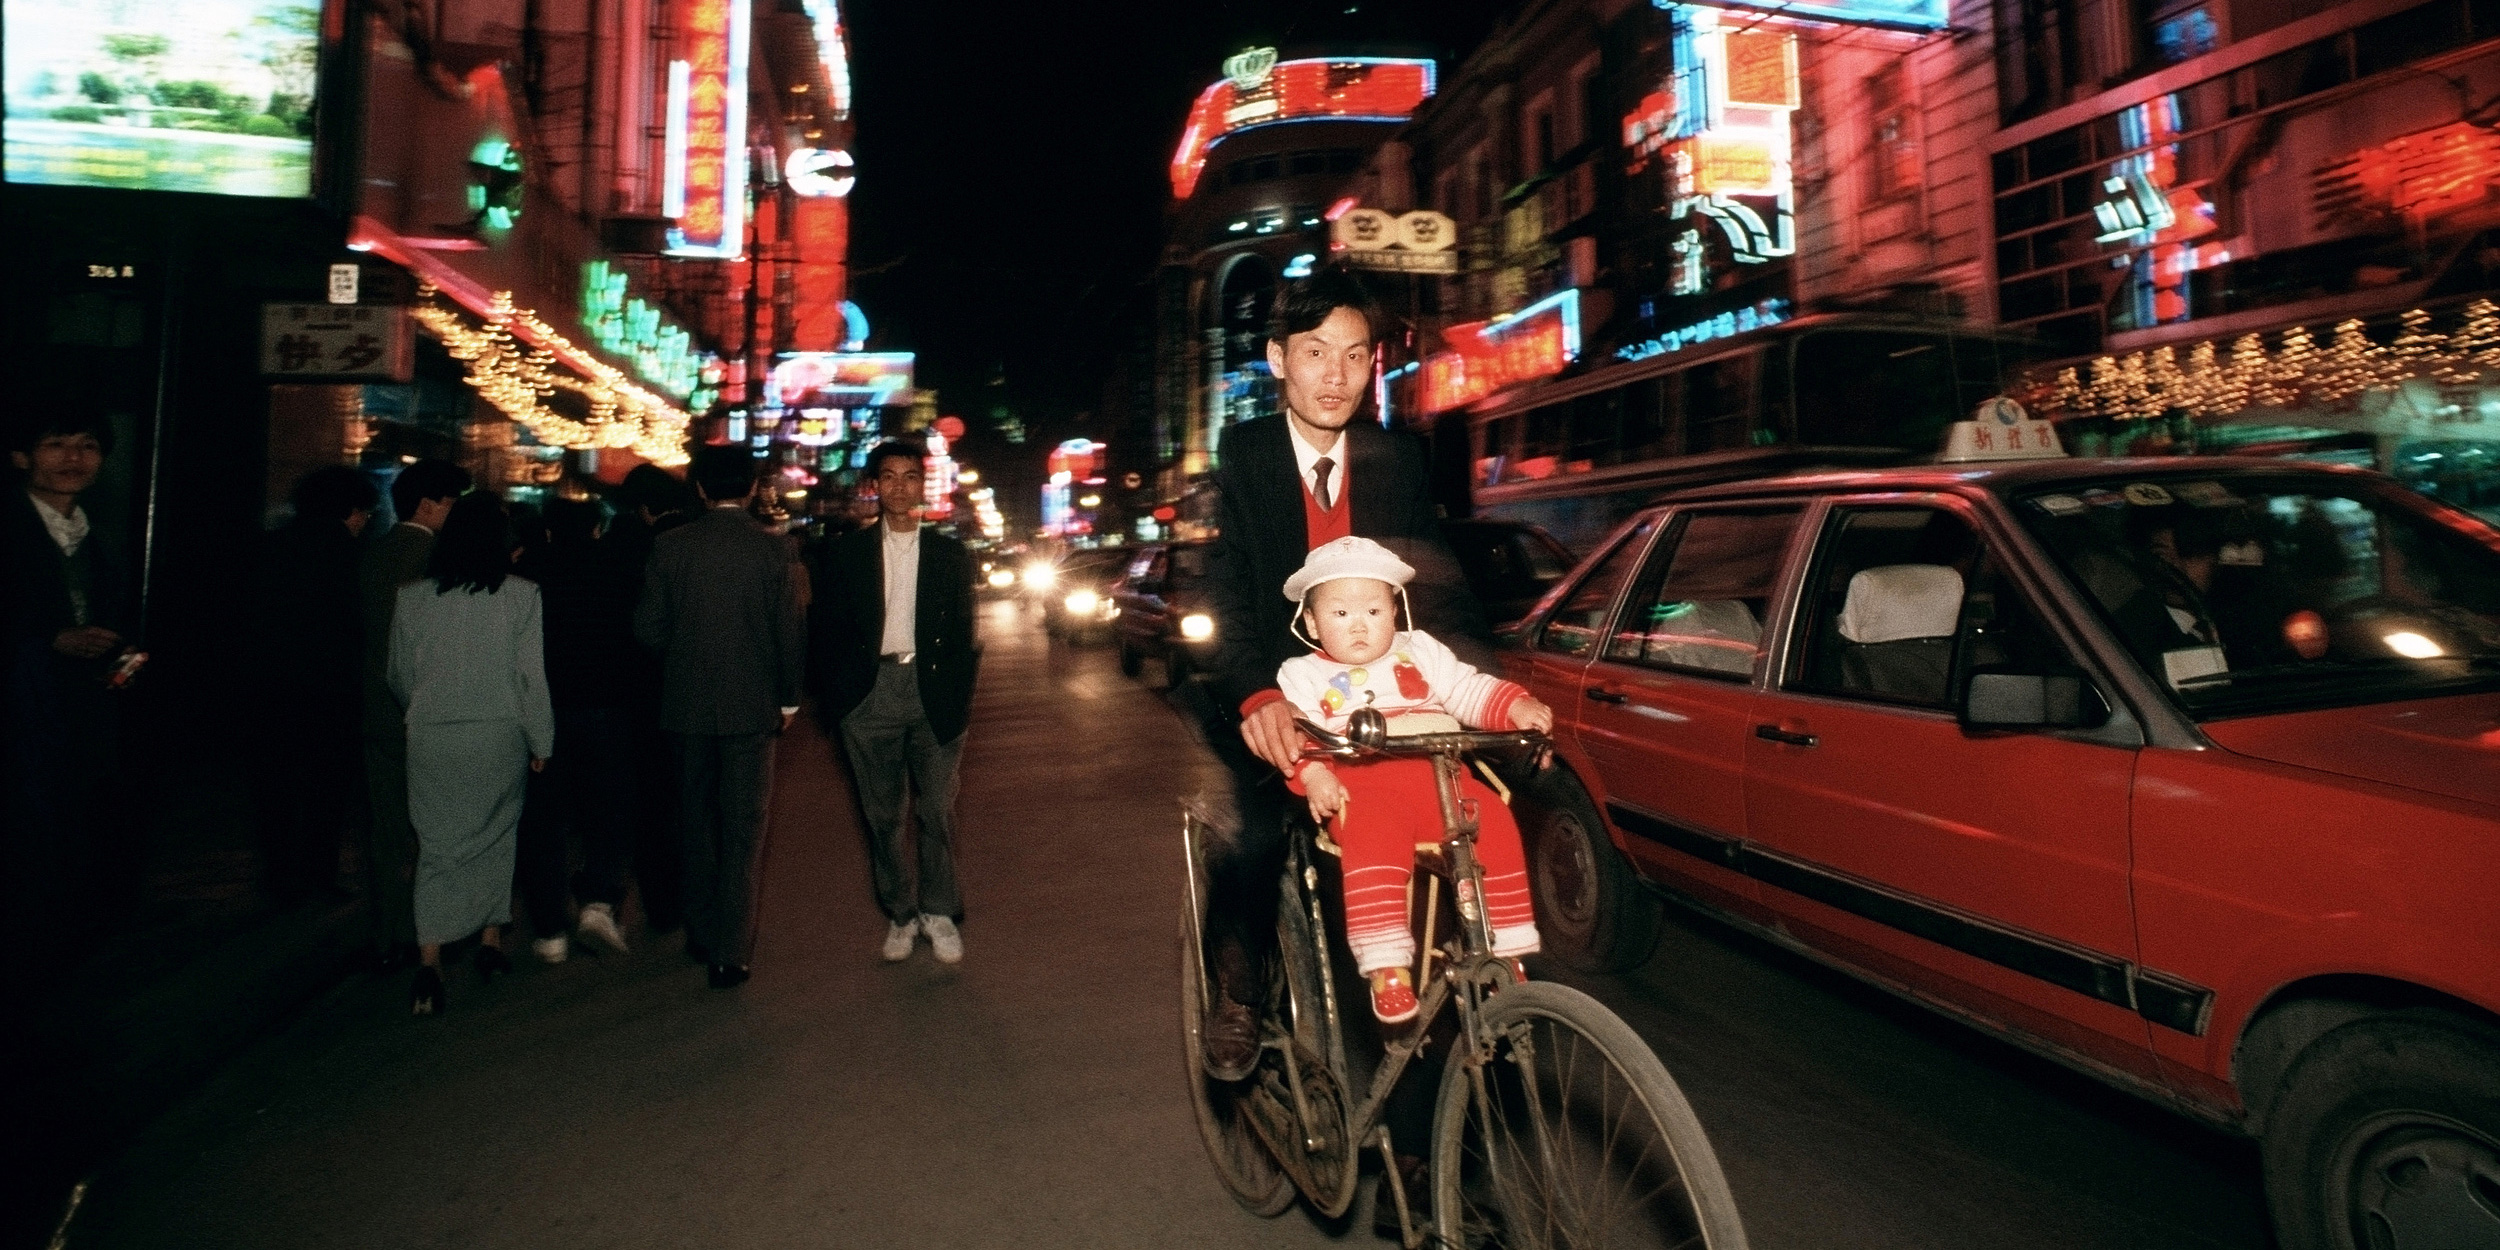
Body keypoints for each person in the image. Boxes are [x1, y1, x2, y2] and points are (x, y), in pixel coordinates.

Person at [1194, 268, 1494, 1076]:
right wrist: (1257, 696)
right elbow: (1224, 586)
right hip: (1276, 693)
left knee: (1439, 874)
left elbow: (1437, 590)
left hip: (1375, 704)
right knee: (1258, 836)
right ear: (1277, 359)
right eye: (1316, 352)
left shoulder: (1395, 459)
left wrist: (1490, 692)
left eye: (1355, 357)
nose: (1335, 375)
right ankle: (1240, 985)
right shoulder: (1246, 453)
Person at [1273, 538, 1548, 1023]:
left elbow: (1468, 689)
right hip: (1364, 789)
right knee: (1374, 840)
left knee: (1496, 819)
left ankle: (1504, 949)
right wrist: (1314, 774)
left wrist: (1514, 706)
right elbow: (1299, 733)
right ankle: (1386, 966)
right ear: (1312, 623)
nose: (1359, 624)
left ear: (1395, 612)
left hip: (1443, 778)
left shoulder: (1419, 651)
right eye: (1339, 614)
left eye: (1374, 610)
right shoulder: (1302, 674)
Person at [634, 446, 806, 989]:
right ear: (753, 488)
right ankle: (731, 952)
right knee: (743, 829)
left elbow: (646, 627)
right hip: (752, 707)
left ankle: (702, 930)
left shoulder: (669, 547)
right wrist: (788, 698)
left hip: (685, 705)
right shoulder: (773, 552)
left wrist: (681, 659)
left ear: (700, 491)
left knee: (695, 822)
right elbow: (789, 632)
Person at [810, 442, 979, 965]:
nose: (900, 486)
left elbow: (964, 633)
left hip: (933, 694)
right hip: (870, 696)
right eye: (890, 477)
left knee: (936, 810)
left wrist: (959, 694)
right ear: (876, 486)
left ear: (923, 485)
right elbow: (824, 633)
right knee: (882, 815)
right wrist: (841, 703)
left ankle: (939, 910)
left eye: (911, 476)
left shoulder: (950, 554)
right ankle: (900, 913)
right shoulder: (845, 555)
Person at [387, 491, 554, 1015]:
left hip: (433, 731)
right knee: (497, 835)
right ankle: (488, 942)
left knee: (436, 841)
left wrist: (422, 705)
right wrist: (541, 740)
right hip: (498, 730)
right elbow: (531, 678)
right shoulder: (522, 595)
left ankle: (430, 961)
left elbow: (398, 674)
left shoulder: (412, 597)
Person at [5, 405, 135, 968]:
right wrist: (47, 642)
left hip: (78, 732)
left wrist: (121, 669)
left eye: (88, 446)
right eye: (56, 444)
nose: (74, 458)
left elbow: (125, 634)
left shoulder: (98, 541)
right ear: (21, 456)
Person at [511, 497, 640, 962]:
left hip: (543, 707)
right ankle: (599, 904)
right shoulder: (616, 566)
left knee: (543, 817)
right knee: (606, 806)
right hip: (606, 702)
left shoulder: (529, 572)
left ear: (547, 529)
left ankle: (549, 931)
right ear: (595, 530)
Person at [360, 458, 472, 970]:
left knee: (389, 829)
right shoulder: (439, 562)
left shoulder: (372, 554)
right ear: (428, 505)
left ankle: (391, 933)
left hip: (374, 713)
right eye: (452, 503)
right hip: (428, 714)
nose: (456, 514)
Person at [252, 466, 379, 907]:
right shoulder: (350, 555)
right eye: (363, 511)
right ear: (349, 509)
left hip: (274, 686)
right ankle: (318, 874)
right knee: (326, 791)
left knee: (279, 788)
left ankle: (281, 877)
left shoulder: (272, 545)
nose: (364, 520)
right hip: (332, 689)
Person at [605, 463, 694, 936]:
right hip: (700, 690)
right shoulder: (701, 541)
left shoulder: (627, 547)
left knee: (652, 804)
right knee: (697, 798)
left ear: (641, 508)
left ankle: (662, 905)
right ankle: (702, 898)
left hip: (640, 694)